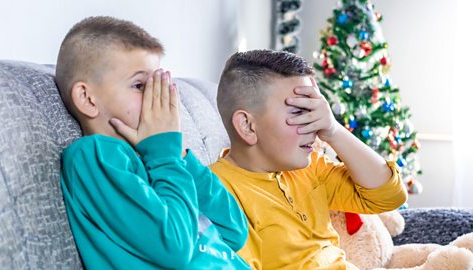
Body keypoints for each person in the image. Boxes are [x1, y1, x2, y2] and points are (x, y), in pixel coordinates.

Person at [56, 16, 250, 269]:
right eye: (139, 85)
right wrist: (165, 156)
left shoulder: (155, 158)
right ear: (87, 99)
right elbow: (175, 250)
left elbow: (234, 231)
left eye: (158, 85)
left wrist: (178, 155)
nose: (155, 97)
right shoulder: (95, 156)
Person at [210, 49, 408, 270]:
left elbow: (389, 197)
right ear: (247, 126)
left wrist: (334, 130)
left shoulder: (309, 167)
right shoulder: (216, 192)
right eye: (299, 112)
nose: (316, 125)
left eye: (314, 110)